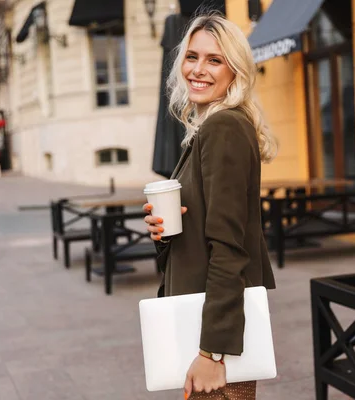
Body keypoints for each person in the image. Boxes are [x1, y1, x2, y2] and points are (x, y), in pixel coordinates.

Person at [143, 13, 278, 400]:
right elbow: (205, 229)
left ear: (235, 71)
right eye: (192, 56)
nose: (198, 70)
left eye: (214, 60)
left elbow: (230, 246)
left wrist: (211, 353)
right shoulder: (208, 129)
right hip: (202, 321)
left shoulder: (224, 129)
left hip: (212, 336)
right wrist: (163, 231)